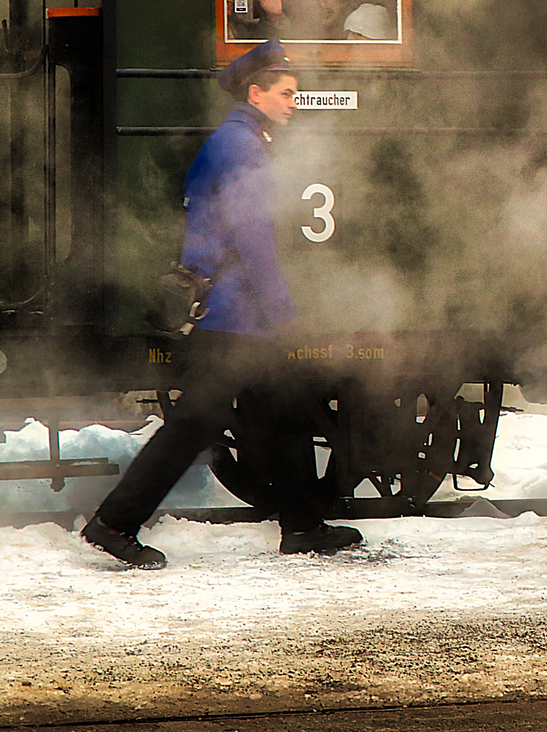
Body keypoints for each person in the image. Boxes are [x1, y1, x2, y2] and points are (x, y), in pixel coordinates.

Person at [81, 40, 363, 568]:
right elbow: (253, 237)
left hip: (237, 314)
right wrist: (285, 313)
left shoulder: (240, 139)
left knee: (284, 409)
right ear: (255, 93)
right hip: (236, 315)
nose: (293, 102)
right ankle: (115, 523)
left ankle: (303, 524)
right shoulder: (242, 147)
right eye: (285, 93)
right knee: (195, 423)